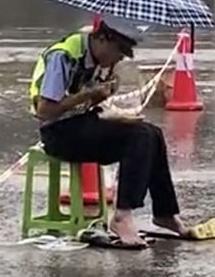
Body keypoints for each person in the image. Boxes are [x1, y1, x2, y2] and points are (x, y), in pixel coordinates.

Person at [30, 15, 189, 248]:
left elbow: (94, 101)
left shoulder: (101, 59)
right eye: (119, 51)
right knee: (139, 136)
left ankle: (164, 213)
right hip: (58, 132)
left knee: (152, 133)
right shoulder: (64, 56)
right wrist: (88, 95)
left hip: (84, 121)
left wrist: (107, 90)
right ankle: (122, 216)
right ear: (102, 39)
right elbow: (45, 110)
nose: (120, 58)